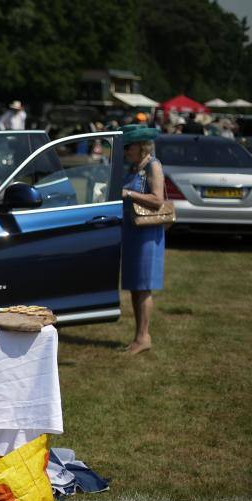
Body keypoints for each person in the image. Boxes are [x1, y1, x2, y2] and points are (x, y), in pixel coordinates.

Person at [120, 124, 165, 355]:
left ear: (142, 146)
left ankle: (144, 336)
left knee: (144, 286)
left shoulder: (153, 165)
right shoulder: (133, 166)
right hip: (132, 231)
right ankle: (139, 337)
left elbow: (157, 199)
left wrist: (130, 194)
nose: (125, 149)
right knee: (135, 287)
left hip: (147, 234)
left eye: (129, 145)